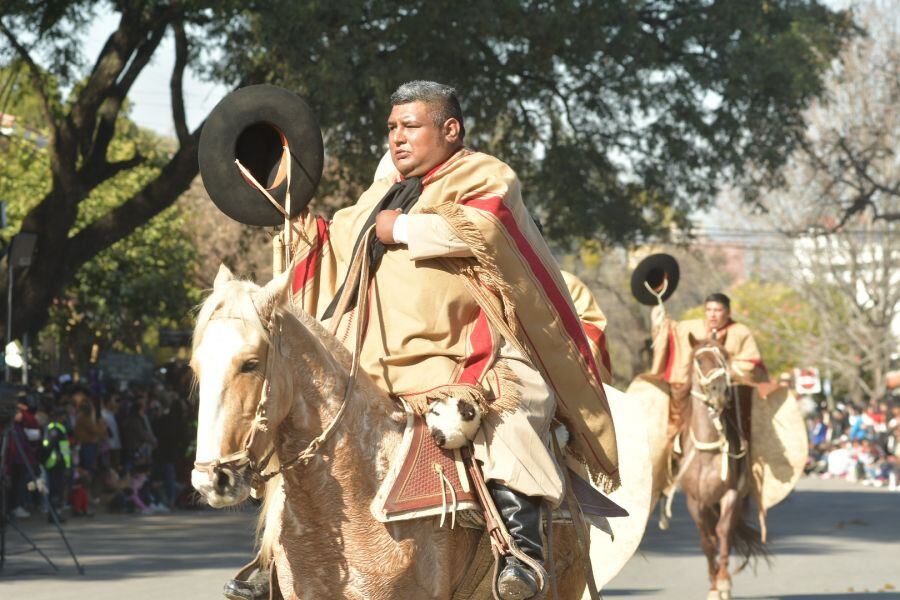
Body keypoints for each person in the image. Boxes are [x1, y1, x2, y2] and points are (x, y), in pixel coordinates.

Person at [227, 81, 619, 600]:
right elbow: (337, 240)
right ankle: (273, 557)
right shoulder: (382, 192)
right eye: (391, 128)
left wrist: (406, 228)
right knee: (307, 435)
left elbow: (488, 226)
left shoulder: (482, 172)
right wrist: (299, 229)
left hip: (468, 358)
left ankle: (521, 552)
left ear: (450, 129)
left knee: (508, 416)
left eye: (410, 126)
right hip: (374, 369)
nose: (397, 138)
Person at [649, 292, 768, 386]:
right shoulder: (690, 327)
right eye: (709, 310)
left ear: (728, 312)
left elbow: (751, 364)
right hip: (692, 390)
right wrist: (659, 320)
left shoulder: (740, 331)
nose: (712, 315)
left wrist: (724, 371)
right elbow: (669, 331)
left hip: (727, 389)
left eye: (717, 310)